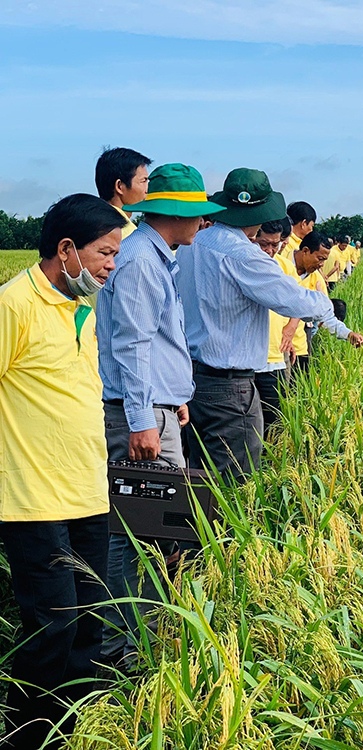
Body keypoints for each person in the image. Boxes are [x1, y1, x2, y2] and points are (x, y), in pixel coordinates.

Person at [0, 194, 127, 749]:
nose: (111, 266)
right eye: (105, 253)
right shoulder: (13, 306)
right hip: (32, 501)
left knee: (89, 625)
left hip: (87, 494)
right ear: (67, 249)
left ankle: (74, 730)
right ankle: (29, 736)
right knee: (53, 629)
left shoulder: (83, 307)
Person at [95, 164, 224, 669]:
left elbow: (159, 342)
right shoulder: (142, 263)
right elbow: (131, 343)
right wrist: (144, 417)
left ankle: (142, 637)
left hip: (159, 408)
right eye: (198, 214)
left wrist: (174, 396)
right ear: (178, 213)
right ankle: (120, 654)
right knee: (135, 534)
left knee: (160, 530)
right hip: (141, 416)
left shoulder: (157, 256)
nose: (203, 223)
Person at [176, 169, 363, 479]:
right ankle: (223, 528)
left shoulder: (192, 244)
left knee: (199, 469)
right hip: (228, 384)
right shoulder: (243, 255)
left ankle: (198, 525)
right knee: (235, 476)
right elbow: (294, 299)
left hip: (191, 378)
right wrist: (327, 305)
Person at [253, 219, 298, 433]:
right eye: (263, 244)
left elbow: (297, 302)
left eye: (275, 244)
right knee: (250, 423)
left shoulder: (285, 266)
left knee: (275, 419)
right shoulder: (242, 264)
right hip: (248, 360)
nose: (269, 250)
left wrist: (290, 330)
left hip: (276, 355)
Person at [289, 231, 332, 374]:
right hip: (274, 347)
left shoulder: (316, 278)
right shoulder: (280, 265)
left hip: (300, 344)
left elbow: (325, 312)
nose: (321, 265)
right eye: (320, 259)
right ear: (305, 251)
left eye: (324, 260)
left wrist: (347, 334)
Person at [95, 147, 152, 240]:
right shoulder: (127, 234)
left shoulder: (91, 222)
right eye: (143, 181)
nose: (147, 189)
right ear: (119, 186)